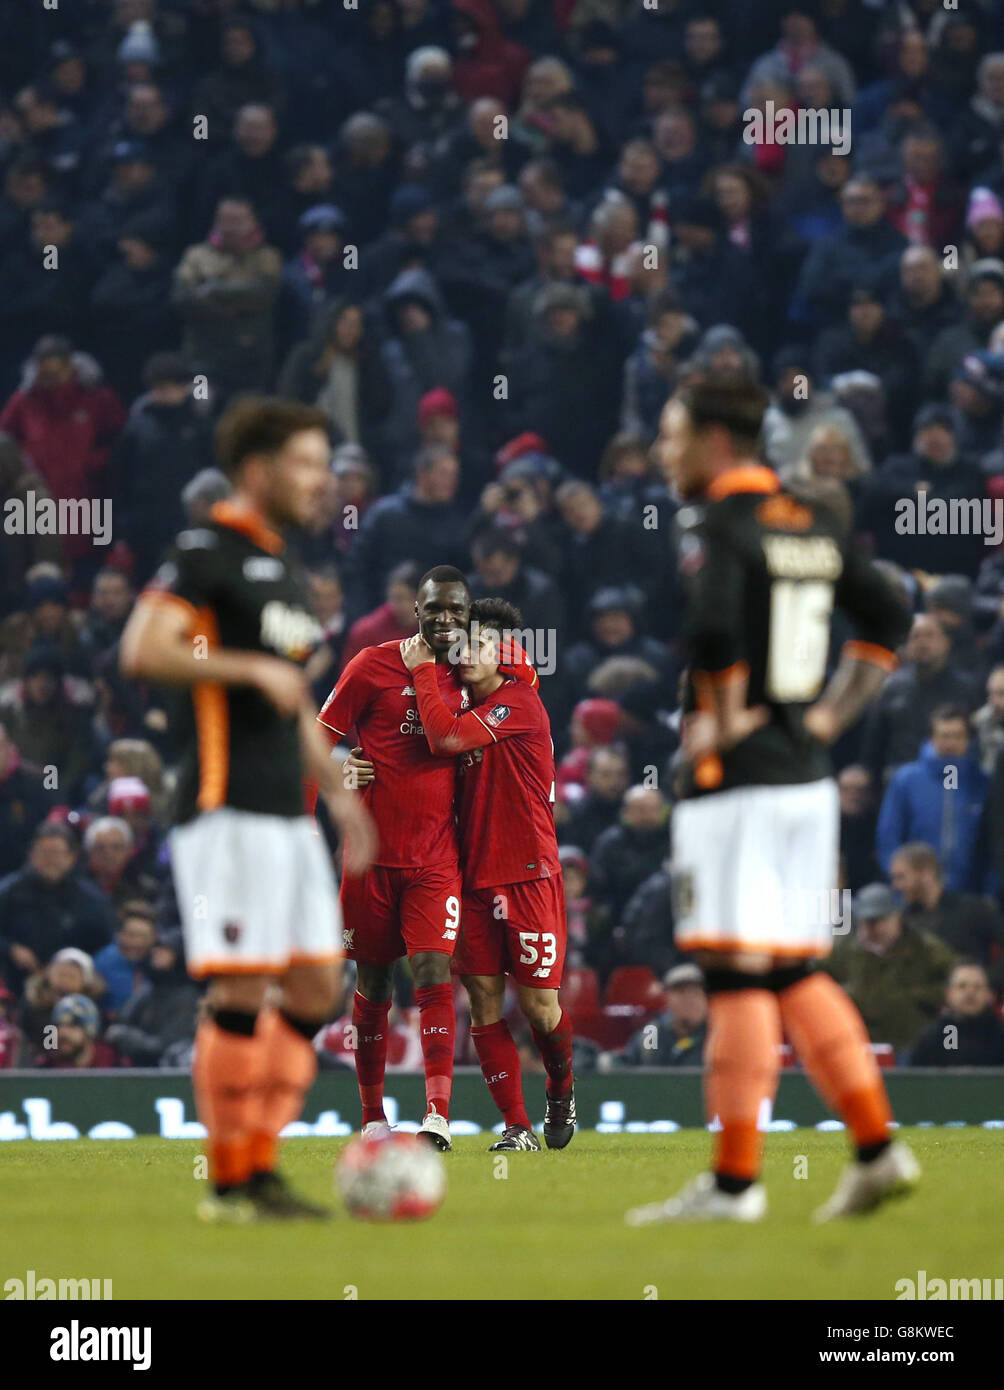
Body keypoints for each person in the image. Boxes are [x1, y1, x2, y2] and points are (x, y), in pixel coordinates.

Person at [626, 378, 915, 1228]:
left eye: (674, 434)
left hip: (740, 786)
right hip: (805, 782)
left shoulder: (714, 522)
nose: (663, 451)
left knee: (733, 976)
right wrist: (824, 717)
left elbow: (713, 632)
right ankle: (875, 1147)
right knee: (795, 968)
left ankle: (734, 1183)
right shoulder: (812, 518)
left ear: (717, 438)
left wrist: (718, 721)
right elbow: (889, 613)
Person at [119, 395, 376, 1223]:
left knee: (314, 990)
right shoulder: (206, 552)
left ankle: (258, 1166)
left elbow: (293, 694)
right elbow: (143, 649)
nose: (322, 481)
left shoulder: (287, 565)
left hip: (287, 816)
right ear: (259, 469)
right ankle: (232, 1182)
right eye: (306, 463)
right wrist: (242, 669)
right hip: (224, 805)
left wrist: (338, 788)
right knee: (239, 988)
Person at [314, 566, 482, 1150]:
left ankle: (438, 1114)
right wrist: (339, 773)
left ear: (467, 615)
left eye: (455, 611)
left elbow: (523, 695)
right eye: (433, 608)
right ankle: (372, 1117)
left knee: (435, 971)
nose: (444, 619)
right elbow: (320, 739)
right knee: (375, 983)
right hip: (370, 859)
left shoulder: (477, 671)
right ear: (417, 610)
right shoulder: (369, 665)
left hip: (436, 859)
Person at [398, 598, 574, 1152]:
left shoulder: (518, 702)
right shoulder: (454, 703)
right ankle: (517, 1128)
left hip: (528, 874)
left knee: (541, 1007)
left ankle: (562, 1087)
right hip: (472, 878)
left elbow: (445, 739)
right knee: (483, 1002)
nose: (470, 654)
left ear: (507, 653)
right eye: (464, 644)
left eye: (483, 644)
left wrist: (422, 669)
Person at [825, 883, 959, 1053]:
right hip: (858, 1045)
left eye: (879, 920)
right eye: (866, 921)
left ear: (897, 917)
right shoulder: (841, 950)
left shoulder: (925, 948)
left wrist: (918, 997)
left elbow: (958, 981)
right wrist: (842, 995)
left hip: (910, 1044)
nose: (873, 928)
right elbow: (812, 984)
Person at [876, 706, 989, 894]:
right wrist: (899, 880)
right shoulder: (906, 780)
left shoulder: (982, 783)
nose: (950, 743)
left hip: (968, 893)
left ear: (968, 740)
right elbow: (889, 836)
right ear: (932, 738)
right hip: (913, 892)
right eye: (944, 736)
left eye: (957, 736)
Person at [908, 962, 1004, 1066]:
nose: (970, 992)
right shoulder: (930, 1039)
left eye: (977, 987)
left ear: (990, 995)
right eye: (962, 986)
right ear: (948, 993)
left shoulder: (1000, 1037)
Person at [621, 962, 708, 1066]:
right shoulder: (651, 1035)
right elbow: (627, 1072)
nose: (689, 1000)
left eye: (696, 993)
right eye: (681, 992)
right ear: (666, 998)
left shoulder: (719, 1037)